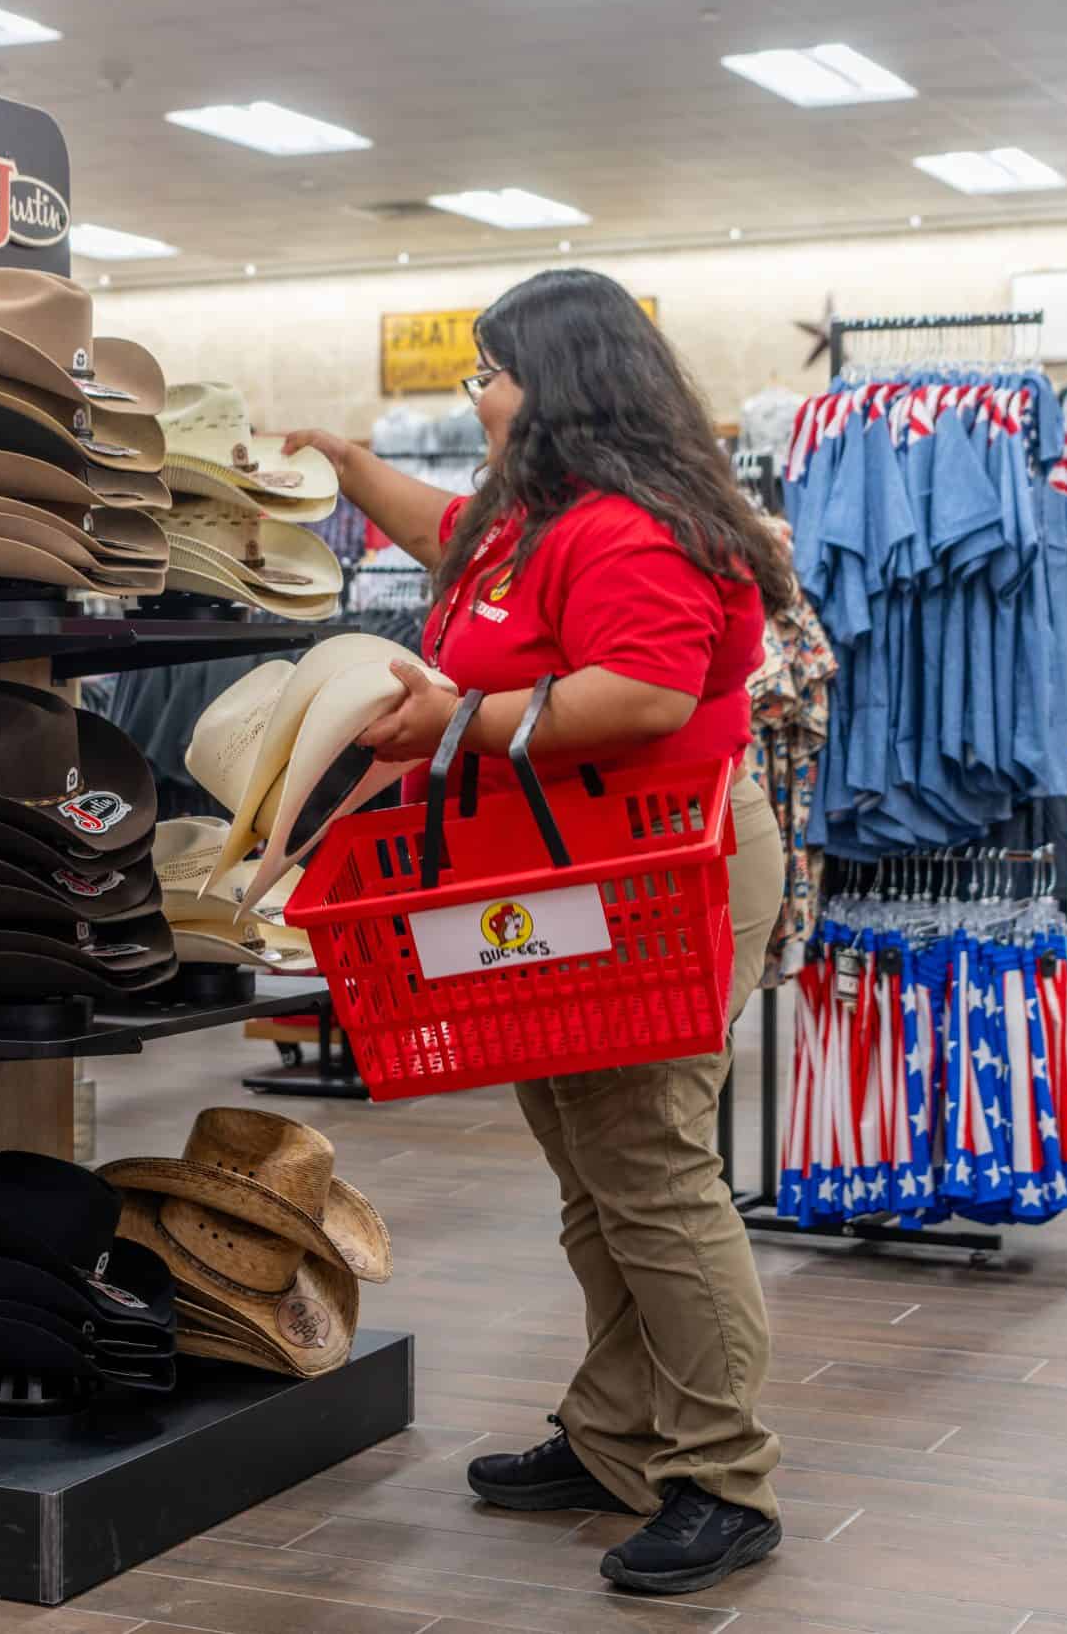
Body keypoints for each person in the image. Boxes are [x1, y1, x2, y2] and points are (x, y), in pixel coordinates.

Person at [286, 268, 790, 1597]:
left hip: (660, 872)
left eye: (491, 374)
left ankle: (722, 1477)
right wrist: (351, 467)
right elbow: (449, 531)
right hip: (566, 875)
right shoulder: (534, 517)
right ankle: (621, 1432)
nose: (481, 397)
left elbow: (638, 694)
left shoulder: (627, 528)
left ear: (556, 385)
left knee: (652, 1169)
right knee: (596, 1171)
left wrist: (458, 723)